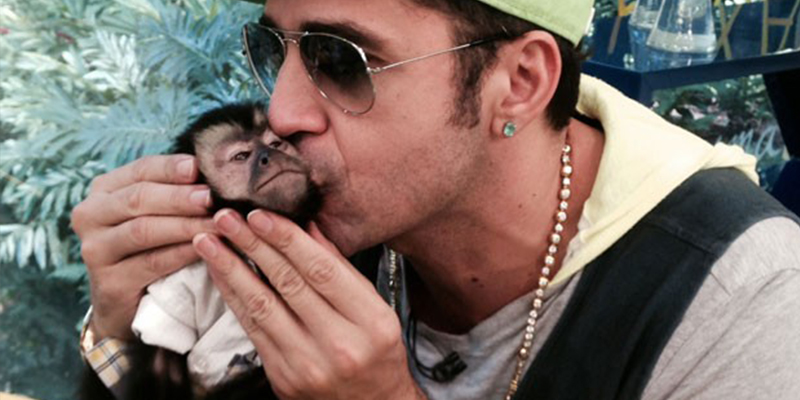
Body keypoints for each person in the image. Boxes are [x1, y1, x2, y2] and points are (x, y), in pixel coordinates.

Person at [71, 0, 800, 399]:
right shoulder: (321, 206)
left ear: (519, 84)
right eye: (275, 49)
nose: (283, 111)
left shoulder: (749, 307)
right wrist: (124, 328)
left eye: (340, 59)